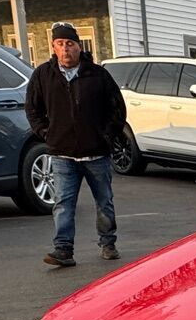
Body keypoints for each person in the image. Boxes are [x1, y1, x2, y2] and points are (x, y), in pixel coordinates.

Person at [25, 22, 127, 267]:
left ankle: (108, 243)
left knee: (104, 201)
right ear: (53, 46)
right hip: (62, 155)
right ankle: (63, 250)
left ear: (79, 47)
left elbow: (117, 109)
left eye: (69, 44)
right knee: (63, 204)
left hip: (96, 155)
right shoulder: (43, 75)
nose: (65, 49)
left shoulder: (98, 75)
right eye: (60, 44)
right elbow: (32, 108)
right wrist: (45, 133)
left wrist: (106, 136)